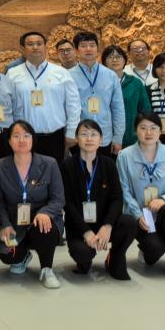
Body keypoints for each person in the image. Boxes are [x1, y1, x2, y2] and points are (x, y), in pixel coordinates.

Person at [0, 120, 65, 289]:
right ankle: (23, 256)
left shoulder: (49, 164)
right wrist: (5, 224)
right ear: (9, 141)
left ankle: (47, 269)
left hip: (42, 221)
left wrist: (46, 212)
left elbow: (59, 199)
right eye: (16, 136)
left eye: (26, 135)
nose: (22, 140)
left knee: (44, 228)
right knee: (9, 256)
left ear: (33, 139)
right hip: (14, 223)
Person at [117, 113, 165, 280]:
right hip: (143, 215)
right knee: (152, 253)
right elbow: (124, 191)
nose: (148, 133)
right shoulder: (125, 156)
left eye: (153, 128)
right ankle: (148, 248)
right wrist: (137, 215)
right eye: (143, 128)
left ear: (160, 131)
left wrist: (164, 199)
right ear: (135, 130)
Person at [61, 120, 137, 280]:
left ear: (101, 139)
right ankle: (85, 260)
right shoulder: (67, 165)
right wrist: (86, 232)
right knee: (82, 254)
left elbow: (117, 198)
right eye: (84, 134)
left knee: (129, 223)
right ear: (76, 138)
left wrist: (107, 226)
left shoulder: (109, 164)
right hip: (79, 226)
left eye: (94, 134)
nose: (89, 138)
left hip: (103, 222)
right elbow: (68, 204)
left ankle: (115, 257)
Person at [8, 31, 80, 163]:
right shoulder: (13, 74)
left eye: (39, 43)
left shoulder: (60, 73)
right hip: (24, 138)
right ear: (23, 49)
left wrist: (71, 131)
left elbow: (73, 104)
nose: (35, 47)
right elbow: (8, 106)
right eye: (30, 44)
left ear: (45, 47)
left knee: (54, 173)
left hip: (54, 138)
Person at [69, 32, 124, 156]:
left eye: (92, 45)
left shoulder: (110, 75)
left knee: (104, 167)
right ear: (76, 50)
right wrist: (69, 134)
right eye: (83, 46)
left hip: (105, 135)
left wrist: (118, 138)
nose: (88, 49)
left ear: (97, 49)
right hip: (78, 136)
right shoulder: (68, 76)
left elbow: (118, 108)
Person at [101, 44, 151, 148]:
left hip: (131, 138)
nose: (114, 60)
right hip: (104, 138)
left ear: (124, 60)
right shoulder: (99, 83)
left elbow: (145, 111)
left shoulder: (135, 83)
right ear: (104, 62)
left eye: (118, 56)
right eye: (110, 57)